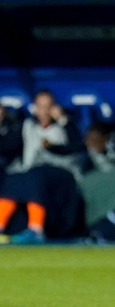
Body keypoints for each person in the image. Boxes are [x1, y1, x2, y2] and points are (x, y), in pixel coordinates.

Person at [0, 90, 85, 244]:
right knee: (14, 177)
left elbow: (78, 147)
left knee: (36, 176)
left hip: (63, 176)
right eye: (40, 106)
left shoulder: (65, 125)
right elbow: (6, 147)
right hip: (33, 173)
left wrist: (62, 122)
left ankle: (36, 229)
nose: (44, 111)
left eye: (48, 106)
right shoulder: (27, 126)